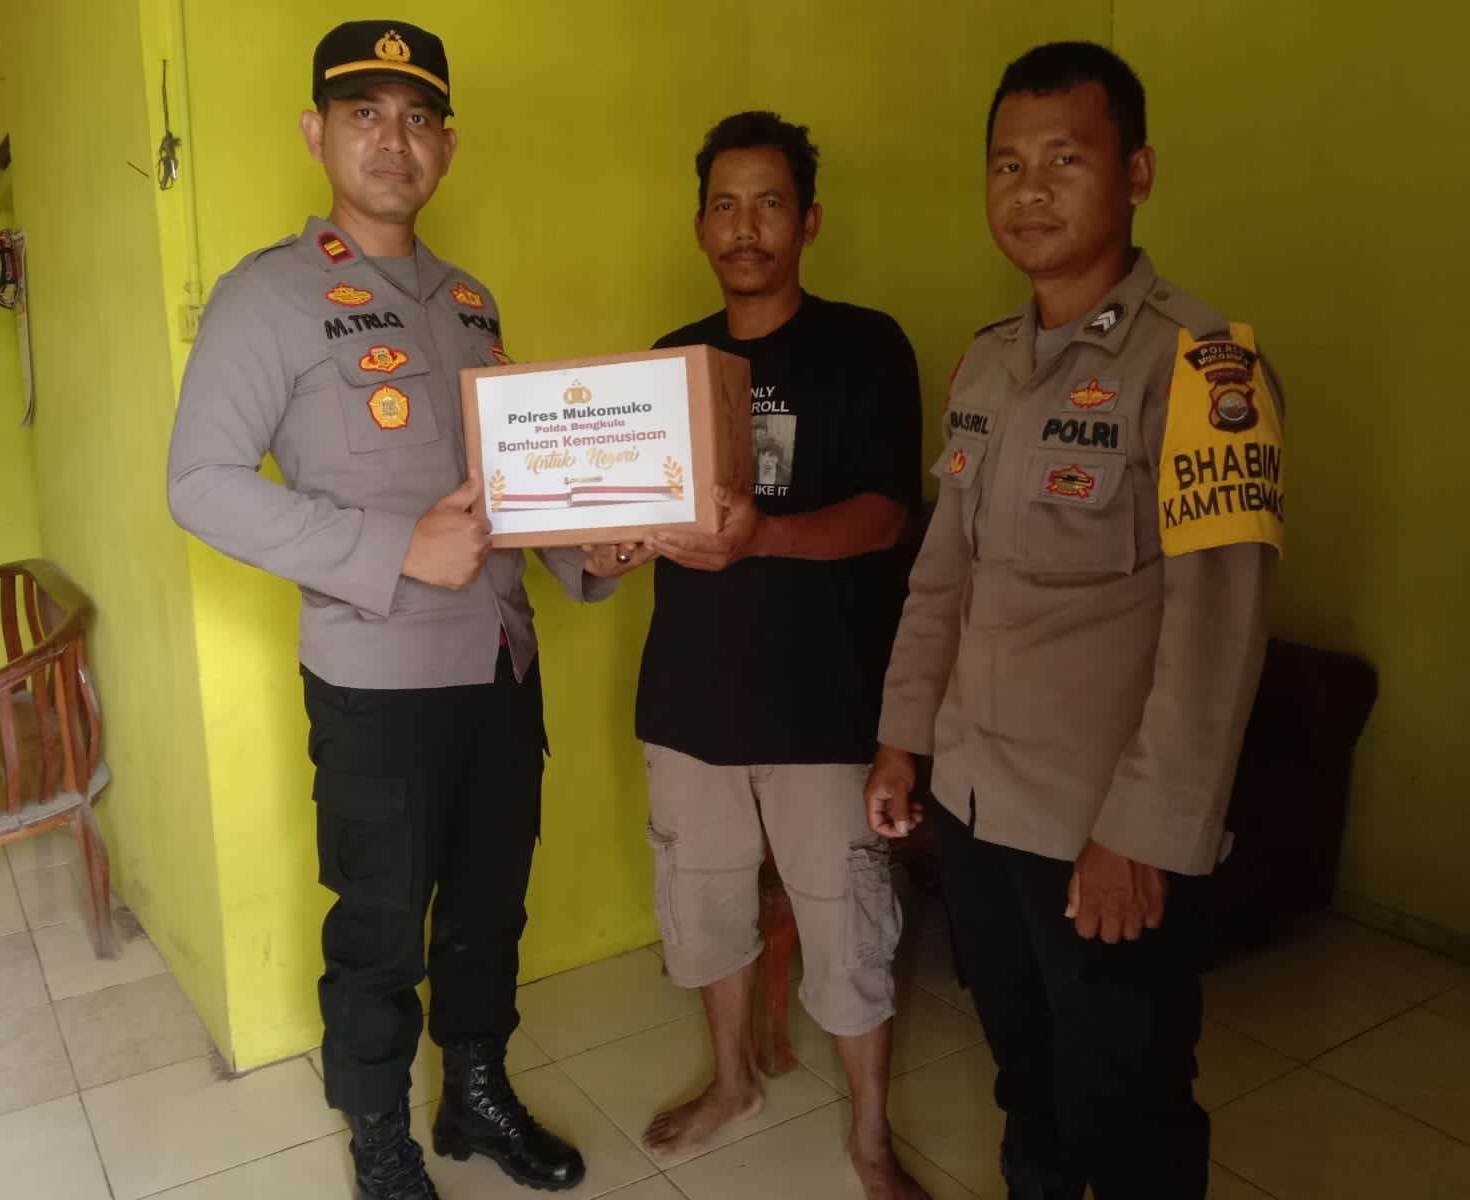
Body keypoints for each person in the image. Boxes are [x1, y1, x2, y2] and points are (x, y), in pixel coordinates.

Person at [167, 20, 644, 1200]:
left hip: (499, 667)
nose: (395, 139)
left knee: (487, 910)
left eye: (419, 117)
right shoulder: (266, 297)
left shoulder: (470, 303)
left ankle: (474, 1094)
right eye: (365, 113)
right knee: (379, 931)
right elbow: (200, 485)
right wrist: (394, 549)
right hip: (376, 685)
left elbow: (508, 486)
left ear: (447, 145)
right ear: (316, 133)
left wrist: (588, 553)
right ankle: (379, 1141)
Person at [866, 42, 1284, 1200]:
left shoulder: (1202, 370)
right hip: (975, 806)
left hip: (1098, 826)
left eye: (1065, 159)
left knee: (1128, 1107)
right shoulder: (986, 365)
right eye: (1007, 164)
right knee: (1027, 1085)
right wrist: (903, 737)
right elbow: (943, 574)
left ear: (1135, 174)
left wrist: (1142, 835)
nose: (1030, 190)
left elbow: (1216, 633)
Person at [635, 111, 928, 1200]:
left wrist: (763, 537)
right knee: (706, 911)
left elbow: (886, 515)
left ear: (808, 221)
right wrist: (607, 535)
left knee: (849, 924)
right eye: (724, 204)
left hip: (823, 702)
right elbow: (639, 507)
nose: (743, 226)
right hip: (691, 699)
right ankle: (733, 1085)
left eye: (768, 203)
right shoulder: (668, 361)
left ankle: (870, 1137)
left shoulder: (867, 346)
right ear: (699, 224)